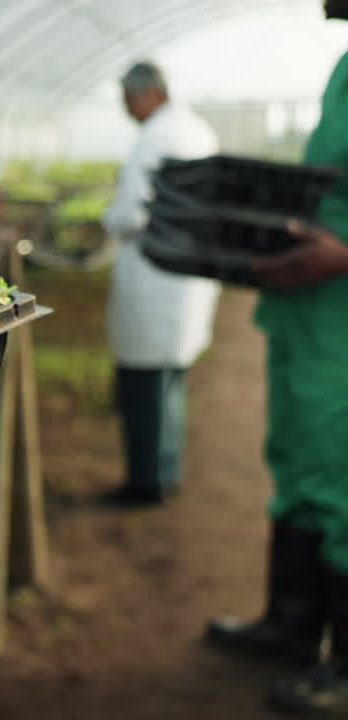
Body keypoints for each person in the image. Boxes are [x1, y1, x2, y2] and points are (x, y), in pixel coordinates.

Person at [206, 2, 348, 713]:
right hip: (309, 316)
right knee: (295, 462)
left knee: (344, 484)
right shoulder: (344, 67)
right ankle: (291, 625)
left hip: (343, 312)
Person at [99, 62, 221, 508]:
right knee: (170, 379)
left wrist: (105, 220)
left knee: (144, 380)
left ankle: (144, 481)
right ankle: (164, 469)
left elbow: (130, 212)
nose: (127, 108)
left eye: (129, 99)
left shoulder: (155, 136)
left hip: (153, 275)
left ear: (151, 92)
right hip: (184, 273)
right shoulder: (196, 129)